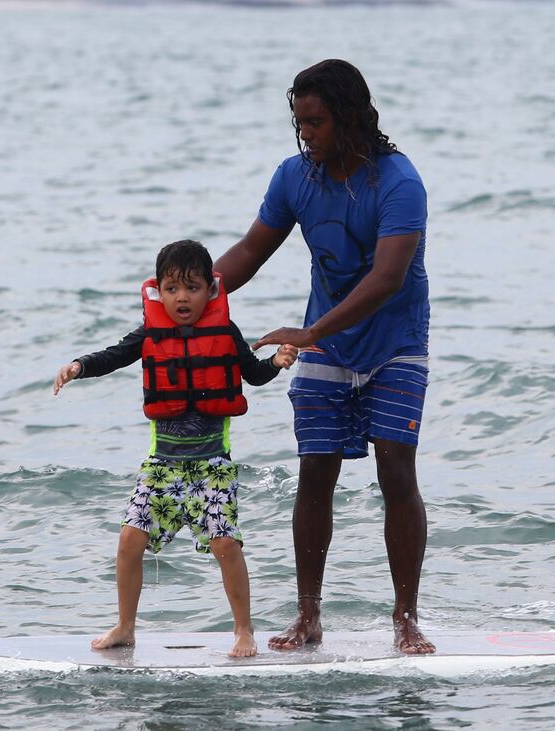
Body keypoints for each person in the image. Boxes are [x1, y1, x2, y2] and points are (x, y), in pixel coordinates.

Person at [213, 59, 435, 654]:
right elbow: (251, 250)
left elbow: (387, 278)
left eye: (316, 122)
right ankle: (308, 615)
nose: (305, 133)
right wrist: (190, 294)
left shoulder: (399, 182)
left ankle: (406, 618)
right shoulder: (296, 177)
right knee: (315, 470)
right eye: (300, 122)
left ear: (352, 116)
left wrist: (310, 332)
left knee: (396, 470)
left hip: (395, 343)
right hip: (327, 342)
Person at [54, 240, 297, 658]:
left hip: (212, 465)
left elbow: (253, 374)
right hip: (162, 465)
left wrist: (276, 362)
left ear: (210, 290)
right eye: (171, 289)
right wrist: (79, 366)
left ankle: (244, 630)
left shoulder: (225, 332)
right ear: (158, 291)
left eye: (192, 287)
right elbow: (114, 356)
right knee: (130, 540)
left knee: (225, 544)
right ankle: (125, 626)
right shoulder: (150, 333)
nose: (181, 297)